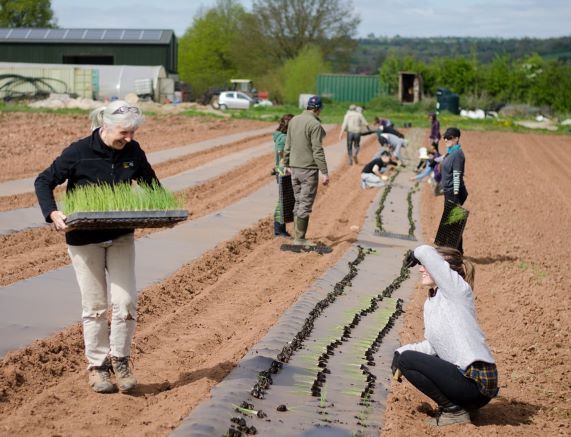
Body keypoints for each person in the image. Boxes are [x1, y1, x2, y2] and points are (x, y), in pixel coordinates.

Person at [34, 100, 159, 394]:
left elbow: (152, 186)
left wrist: (161, 209)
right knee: (95, 306)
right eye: (123, 133)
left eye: (132, 133)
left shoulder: (133, 152)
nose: (128, 139)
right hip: (84, 240)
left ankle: (121, 360)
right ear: (105, 125)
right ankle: (98, 368)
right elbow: (44, 180)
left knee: (126, 301)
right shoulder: (79, 152)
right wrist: (52, 213)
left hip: (120, 236)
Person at [392, 245, 498, 427]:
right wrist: (400, 352)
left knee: (407, 360)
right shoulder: (433, 302)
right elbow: (434, 346)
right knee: (405, 357)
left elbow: (426, 251)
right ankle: (463, 406)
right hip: (466, 385)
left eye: (425, 264)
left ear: (443, 270)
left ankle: (453, 411)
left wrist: (417, 253)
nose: (420, 268)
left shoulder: (457, 291)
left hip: (477, 382)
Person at [283, 95, 329, 246]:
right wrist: (325, 172)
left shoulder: (294, 120)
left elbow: (287, 145)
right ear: (318, 109)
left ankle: (296, 235)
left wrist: (286, 163)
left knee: (298, 201)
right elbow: (317, 150)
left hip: (294, 169)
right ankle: (299, 239)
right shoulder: (314, 124)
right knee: (305, 203)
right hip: (308, 169)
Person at [439, 127, 467, 252]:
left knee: (453, 222)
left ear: (456, 138)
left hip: (453, 192)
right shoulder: (451, 152)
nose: (446, 139)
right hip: (448, 191)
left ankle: (455, 251)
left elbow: (457, 174)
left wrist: (455, 195)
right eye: (445, 137)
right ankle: (455, 250)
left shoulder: (458, 154)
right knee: (452, 221)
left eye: (449, 138)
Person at [272, 113, 294, 237]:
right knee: (283, 200)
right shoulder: (284, 138)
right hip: (284, 170)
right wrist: (286, 166)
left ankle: (281, 229)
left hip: (282, 169)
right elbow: (281, 152)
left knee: (284, 199)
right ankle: (279, 230)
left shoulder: (281, 136)